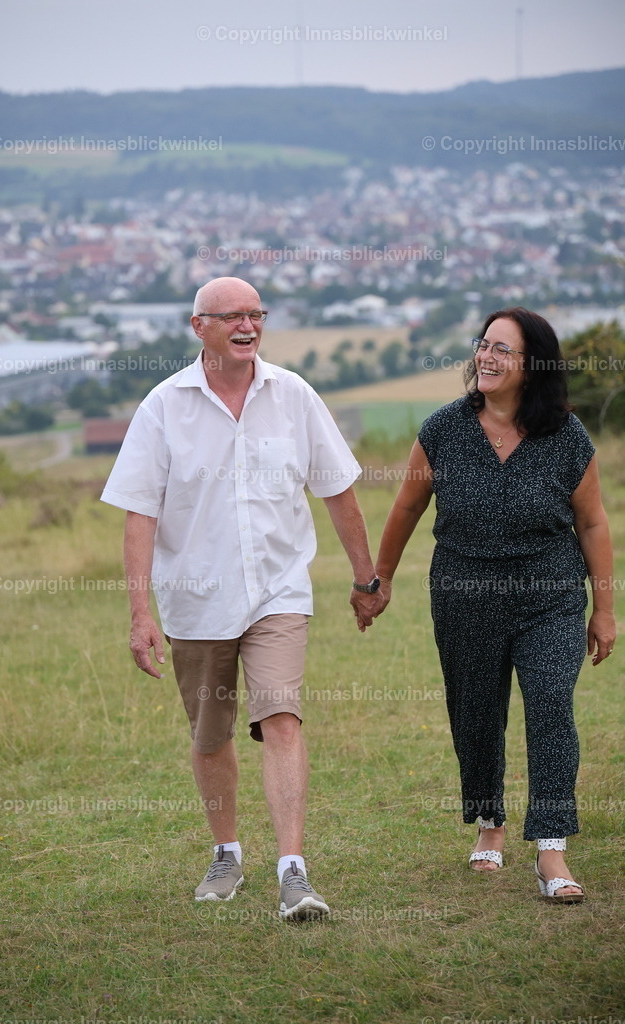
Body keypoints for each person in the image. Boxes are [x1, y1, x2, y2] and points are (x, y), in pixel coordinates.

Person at [101, 276, 384, 920]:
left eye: (256, 313)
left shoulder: (294, 396)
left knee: (281, 715)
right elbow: (139, 514)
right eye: (231, 315)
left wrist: (366, 578)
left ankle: (293, 871)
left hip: (279, 589)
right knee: (210, 734)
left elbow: (337, 489)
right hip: (196, 599)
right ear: (198, 326)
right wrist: (141, 613)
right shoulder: (163, 407)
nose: (247, 325)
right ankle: (227, 852)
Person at [373, 307, 616, 903]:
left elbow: (593, 522)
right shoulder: (444, 430)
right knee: (477, 712)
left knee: (551, 703)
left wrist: (604, 609)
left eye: (502, 349)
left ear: (532, 366)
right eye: (483, 345)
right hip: (464, 596)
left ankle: (552, 847)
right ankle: (490, 821)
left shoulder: (566, 435)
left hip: (551, 598)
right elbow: (407, 509)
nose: (486, 356)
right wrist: (378, 579)